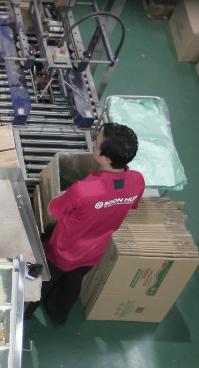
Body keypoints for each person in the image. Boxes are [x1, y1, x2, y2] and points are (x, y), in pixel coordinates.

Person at [26, 122, 144, 326]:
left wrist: (66, 194)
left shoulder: (83, 190)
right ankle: (58, 316)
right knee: (72, 284)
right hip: (93, 253)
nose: (93, 144)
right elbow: (126, 204)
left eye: (96, 144)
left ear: (106, 159)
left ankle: (27, 312)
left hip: (63, 251)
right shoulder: (137, 181)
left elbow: (54, 209)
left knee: (44, 282)